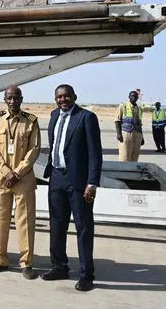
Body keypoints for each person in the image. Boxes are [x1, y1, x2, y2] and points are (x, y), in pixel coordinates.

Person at [42, 84, 103, 292]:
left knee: (83, 228)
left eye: (66, 96)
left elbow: (95, 154)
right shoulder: (53, 115)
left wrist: (92, 183)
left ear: (74, 97)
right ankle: (59, 266)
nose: (63, 100)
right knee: (57, 226)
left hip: (78, 182)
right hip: (57, 178)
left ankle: (86, 275)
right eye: (59, 97)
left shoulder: (86, 117)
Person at [0, 85, 40, 279]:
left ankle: (26, 263)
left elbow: (34, 149)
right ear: (4, 99)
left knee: (25, 221)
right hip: (1, 179)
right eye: (9, 98)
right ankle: (0, 260)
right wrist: (6, 171)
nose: (12, 101)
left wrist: (16, 173)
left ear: (21, 99)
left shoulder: (31, 121)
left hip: (23, 179)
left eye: (16, 98)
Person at [115, 90, 144, 162]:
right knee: (124, 156)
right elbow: (117, 120)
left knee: (135, 156)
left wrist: (142, 137)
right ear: (129, 97)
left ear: (137, 98)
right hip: (126, 133)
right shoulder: (123, 106)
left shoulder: (140, 109)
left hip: (137, 134)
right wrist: (119, 134)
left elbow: (140, 124)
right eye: (132, 96)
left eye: (135, 96)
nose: (134, 97)